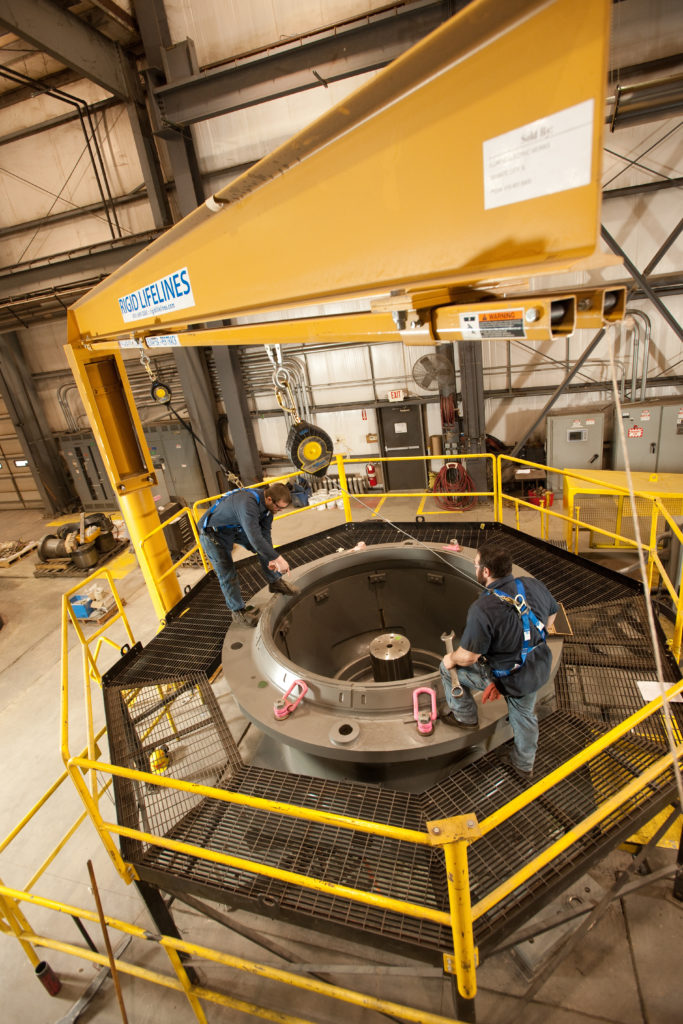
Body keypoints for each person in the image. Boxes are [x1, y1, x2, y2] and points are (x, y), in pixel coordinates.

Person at [440, 540, 558, 777]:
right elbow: (552, 616)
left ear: (486, 571)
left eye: (476, 566)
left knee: (447, 670)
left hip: (511, 677)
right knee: (524, 713)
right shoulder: (531, 585)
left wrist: (449, 659)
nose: (475, 570)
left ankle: (465, 717)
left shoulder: (483, 609)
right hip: (540, 663)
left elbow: (469, 657)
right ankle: (524, 764)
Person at [199, 482, 295, 627]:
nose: (279, 511)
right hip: (214, 533)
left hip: (235, 528)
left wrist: (271, 557)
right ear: (269, 499)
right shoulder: (248, 504)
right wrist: (278, 559)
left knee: (265, 549)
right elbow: (255, 538)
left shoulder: (269, 509)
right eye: (279, 507)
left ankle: (275, 582)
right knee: (227, 572)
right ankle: (237, 612)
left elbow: (264, 535)